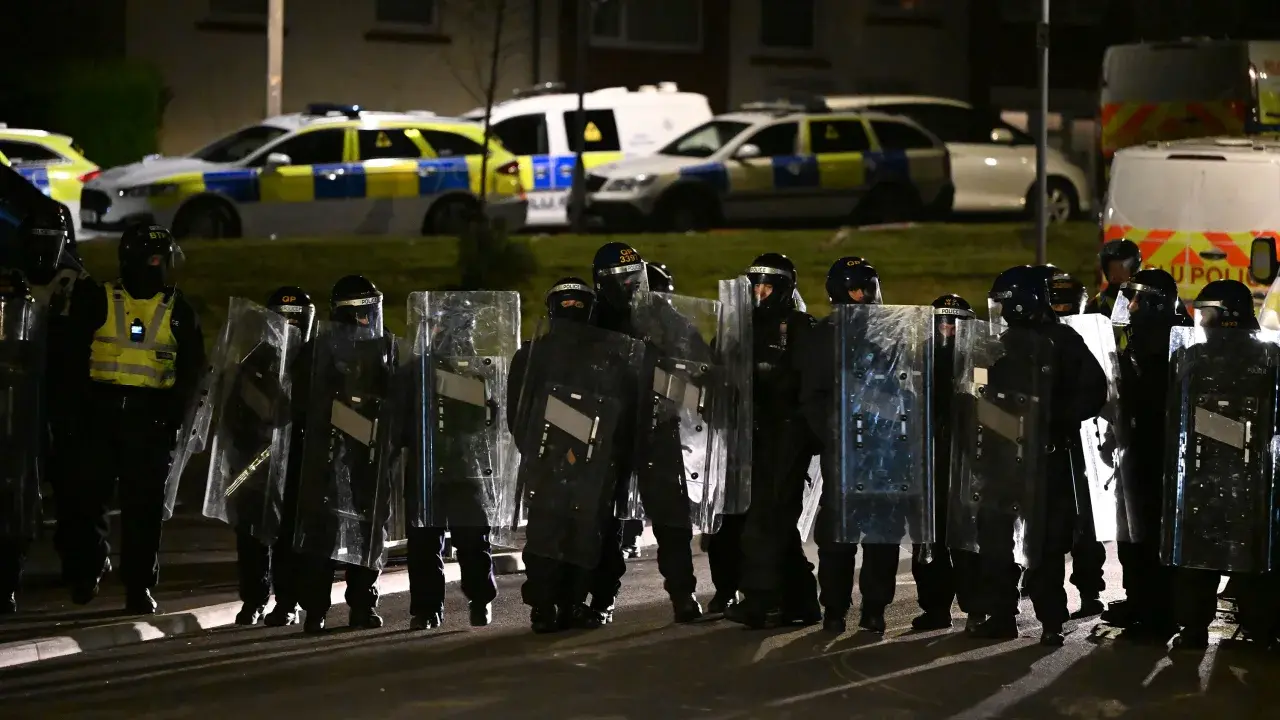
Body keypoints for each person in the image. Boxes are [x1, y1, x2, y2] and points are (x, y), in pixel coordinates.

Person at [959, 265, 1107, 646]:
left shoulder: (1063, 341)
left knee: (1045, 543)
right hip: (1001, 458)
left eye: (1006, 304)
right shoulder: (994, 345)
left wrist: (1051, 419)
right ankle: (1003, 615)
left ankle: (1050, 620)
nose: (1002, 311)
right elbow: (974, 396)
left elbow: (1094, 394)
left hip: (1046, 457)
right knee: (994, 539)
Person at [65, 223, 205, 614]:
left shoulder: (179, 310)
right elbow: (72, 359)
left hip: (150, 420)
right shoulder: (98, 299)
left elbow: (193, 371)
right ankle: (88, 568)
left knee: (143, 508)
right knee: (87, 498)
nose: (160, 268)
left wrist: (175, 417)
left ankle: (139, 585)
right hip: (100, 412)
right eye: (156, 260)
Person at [510, 277, 644, 632]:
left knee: (579, 535)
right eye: (565, 303)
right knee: (552, 535)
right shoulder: (533, 355)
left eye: (577, 303)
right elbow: (520, 414)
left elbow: (624, 411)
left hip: (587, 465)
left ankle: (567, 603)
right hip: (561, 462)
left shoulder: (609, 356)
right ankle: (547, 603)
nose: (571, 311)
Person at [589, 242, 705, 623]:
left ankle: (683, 596)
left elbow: (698, 367)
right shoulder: (592, 319)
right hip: (607, 430)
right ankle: (602, 598)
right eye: (618, 280)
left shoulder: (662, 315)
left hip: (658, 425)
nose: (627, 286)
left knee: (671, 519)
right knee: (602, 520)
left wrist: (673, 386)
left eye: (632, 277)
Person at [1164, 279, 1280, 649]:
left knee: (1207, 556)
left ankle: (1196, 628)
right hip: (1242, 475)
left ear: (1226, 315)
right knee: (1248, 555)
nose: (1203, 320)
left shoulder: (1197, 357)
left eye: (1208, 312)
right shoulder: (1268, 357)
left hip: (1213, 472)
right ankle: (1258, 629)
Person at [796, 258, 904, 634]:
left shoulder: (893, 333)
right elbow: (812, 396)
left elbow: (906, 389)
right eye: (860, 289)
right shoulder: (826, 336)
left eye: (870, 286)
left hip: (885, 452)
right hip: (843, 452)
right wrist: (835, 434)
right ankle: (835, 608)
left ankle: (874, 608)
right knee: (838, 537)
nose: (868, 295)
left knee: (881, 535)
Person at [405, 290, 519, 631]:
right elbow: (402, 415)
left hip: (467, 468)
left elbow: (490, 419)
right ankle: (427, 609)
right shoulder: (419, 370)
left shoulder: (475, 372)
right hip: (429, 468)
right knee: (426, 543)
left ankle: (480, 599)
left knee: (471, 541)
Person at [292, 275, 398, 632]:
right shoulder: (317, 351)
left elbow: (399, 401)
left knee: (367, 532)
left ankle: (361, 606)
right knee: (323, 530)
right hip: (328, 452)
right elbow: (301, 403)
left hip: (369, 454)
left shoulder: (387, 349)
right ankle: (316, 609)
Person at [727, 254, 822, 629]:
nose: (760, 292)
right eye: (755, 284)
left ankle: (762, 601)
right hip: (751, 434)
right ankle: (801, 600)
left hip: (787, 435)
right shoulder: (741, 327)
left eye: (768, 285)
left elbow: (808, 383)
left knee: (767, 521)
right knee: (774, 524)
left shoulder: (799, 327)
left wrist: (771, 379)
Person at [1099, 269, 1187, 641]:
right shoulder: (1140, 337)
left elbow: (1156, 400)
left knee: (1151, 538)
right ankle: (1138, 601)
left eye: (1137, 299)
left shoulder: (1170, 341)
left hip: (1159, 455)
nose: (1130, 306)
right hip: (1135, 449)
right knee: (1131, 535)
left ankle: (1158, 616)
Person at [229, 287, 316, 626]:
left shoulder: (317, 361)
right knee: (252, 532)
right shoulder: (255, 361)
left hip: (299, 460)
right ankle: (253, 599)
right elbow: (233, 411)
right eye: (284, 320)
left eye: (297, 321)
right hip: (257, 459)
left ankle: (288, 601)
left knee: (290, 535)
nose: (291, 327)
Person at [0, 210, 69, 612]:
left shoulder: (70, 285)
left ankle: (10, 575)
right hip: (12, 405)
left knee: (21, 490)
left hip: (29, 405)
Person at [909, 294, 980, 631]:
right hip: (928, 461)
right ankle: (936, 608)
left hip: (969, 462)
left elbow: (992, 409)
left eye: (955, 322)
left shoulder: (981, 360)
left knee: (969, 540)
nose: (948, 329)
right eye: (942, 322)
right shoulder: (918, 358)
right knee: (929, 540)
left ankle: (976, 606)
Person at [1045, 267, 1107, 619]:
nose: (1064, 310)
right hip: (1050, 439)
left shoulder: (1093, 334)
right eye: (1058, 303)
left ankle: (1089, 587)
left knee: (1087, 521)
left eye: (1070, 304)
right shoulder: (1036, 336)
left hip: (1087, 439)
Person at [620, 263, 675, 559]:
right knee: (625, 472)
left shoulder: (673, 328)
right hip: (627, 405)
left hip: (659, 410)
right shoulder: (624, 323)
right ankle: (628, 529)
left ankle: (636, 530)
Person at [1085, 239, 1141, 317]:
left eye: (1122, 267)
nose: (1117, 274)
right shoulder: (1097, 305)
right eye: (1113, 269)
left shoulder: (1147, 301)